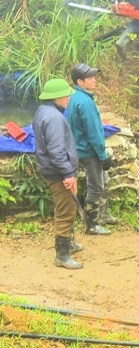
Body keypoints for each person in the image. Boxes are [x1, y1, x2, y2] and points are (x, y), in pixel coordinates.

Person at [32, 78, 82, 269]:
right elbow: (56, 150)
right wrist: (68, 174)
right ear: (56, 97)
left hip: (53, 170)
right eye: (66, 94)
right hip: (58, 173)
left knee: (65, 206)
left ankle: (68, 243)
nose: (69, 97)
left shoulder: (43, 111)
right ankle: (62, 256)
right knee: (66, 210)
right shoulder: (54, 117)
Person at [66, 63, 116, 236]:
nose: (94, 80)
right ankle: (92, 224)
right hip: (88, 151)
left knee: (102, 181)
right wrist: (102, 155)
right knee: (95, 186)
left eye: (94, 76)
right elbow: (93, 132)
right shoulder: (85, 102)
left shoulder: (75, 98)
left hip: (80, 147)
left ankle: (103, 215)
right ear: (80, 81)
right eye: (90, 78)